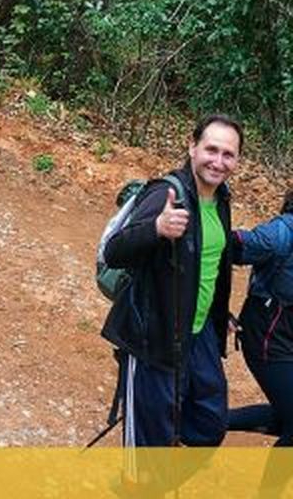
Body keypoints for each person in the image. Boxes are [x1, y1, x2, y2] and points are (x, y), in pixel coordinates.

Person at [101, 114, 243, 448]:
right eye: (211, 149)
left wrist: (221, 313)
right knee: (149, 445)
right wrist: (157, 229)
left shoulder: (220, 199)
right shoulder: (166, 192)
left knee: (209, 423)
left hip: (199, 332)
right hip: (155, 336)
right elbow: (114, 252)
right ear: (192, 147)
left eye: (228, 154)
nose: (218, 162)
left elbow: (210, 264)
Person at [228, 190, 293, 495]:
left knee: (286, 417)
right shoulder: (283, 232)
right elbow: (227, 246)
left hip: (287, 339)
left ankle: (198, 421)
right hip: (268, 338)